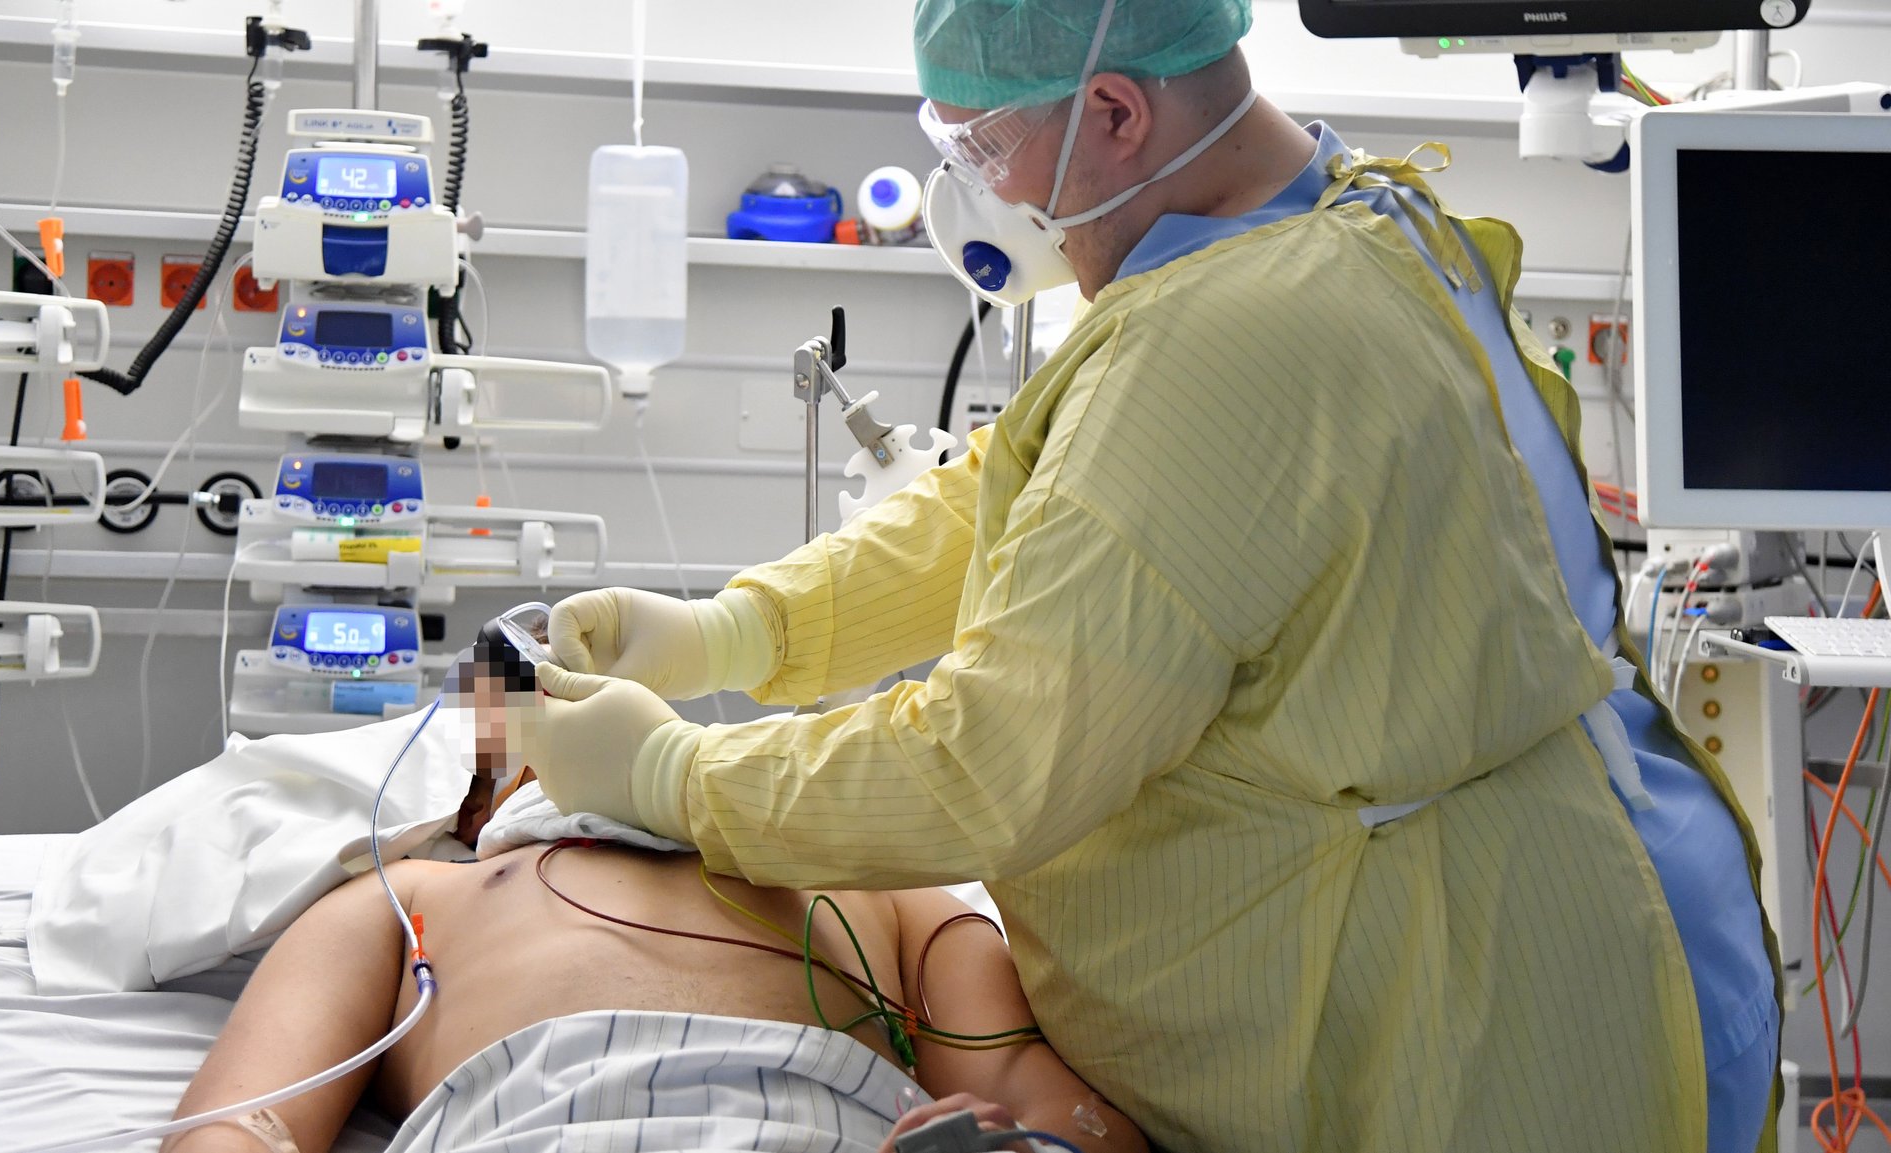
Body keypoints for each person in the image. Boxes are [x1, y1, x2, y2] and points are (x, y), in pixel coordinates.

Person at [506, 1, 1781, 1150]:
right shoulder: (1328, 216)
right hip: (1561, 906)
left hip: (1478, 1024)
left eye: (980, 151)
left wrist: (676, 776)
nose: (976, 191)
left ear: (1115, 112)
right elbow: (1031, 499)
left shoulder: (1223, 333)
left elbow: (987, 762)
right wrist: (738, 633)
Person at [159, 834, 1145, 1153]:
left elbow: (1042, 1090)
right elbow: (238, 1125)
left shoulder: (881, 886)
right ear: (487, 802)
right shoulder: (416, 889)